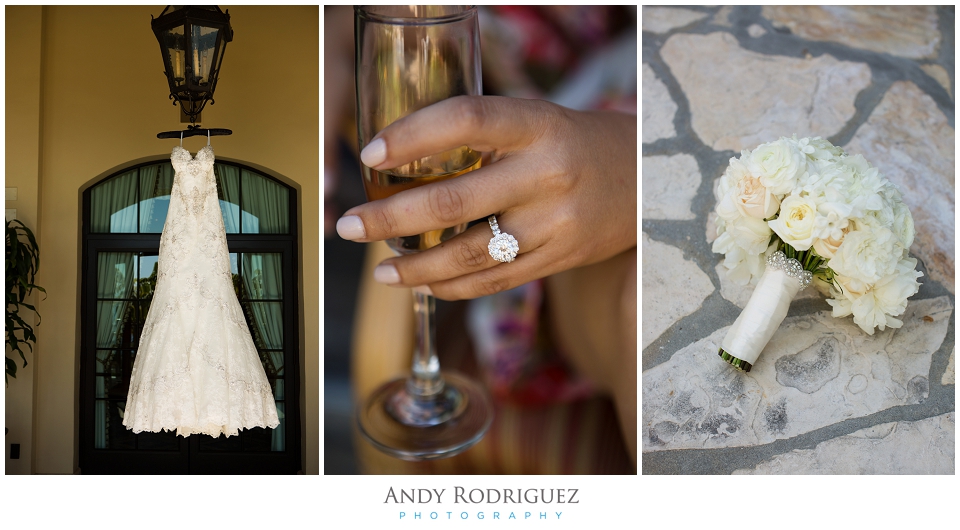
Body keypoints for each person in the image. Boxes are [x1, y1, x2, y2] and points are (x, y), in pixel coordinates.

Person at [328, 5, 637, 473]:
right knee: (638, 303)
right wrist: (332, 35)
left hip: (641, 128)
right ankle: (426, 376)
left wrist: (640, 165)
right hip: (542, 151)